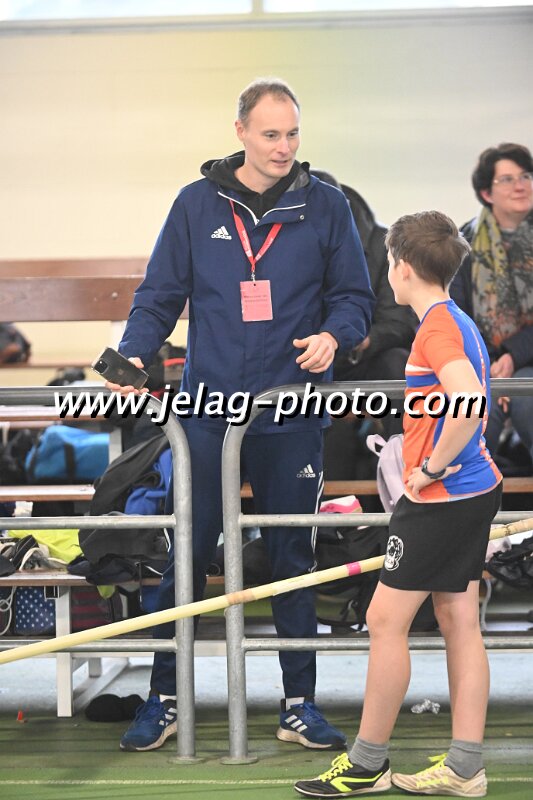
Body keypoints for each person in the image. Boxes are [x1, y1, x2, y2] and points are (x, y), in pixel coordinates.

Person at [109, 78, 375, 752]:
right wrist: (135, 353)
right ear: (240, 133)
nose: (284, 147)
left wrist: (334, 336)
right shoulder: (195, 204)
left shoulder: (328, 205)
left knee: (292, 556)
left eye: (292, 133)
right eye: (270, 134)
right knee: (188, 552)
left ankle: (299, 705)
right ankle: (164, 698)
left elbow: (354, 297)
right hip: (208, 410)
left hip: (292, 410)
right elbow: (158, 295)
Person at [294, 211, 503, 798]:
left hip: (443, 497)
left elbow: (468, 400)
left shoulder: (437, 328)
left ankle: (367, 763)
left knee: (386, 620)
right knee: (458, 620)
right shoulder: (454, 319)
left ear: (401, 268)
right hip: (470, 491)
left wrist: (431, 466)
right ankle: (464, 767)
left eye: (387, 261)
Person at [311, 170, 417, 440]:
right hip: (302, 360)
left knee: (399, 364)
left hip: (360, 358)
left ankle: (406, 453)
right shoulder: (281, 245)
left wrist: (361, 340)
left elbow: (400, 322)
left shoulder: (386, 247)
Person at [450, 143, 533, 467]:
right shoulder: (464, 243)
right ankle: (477, 491)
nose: (520, 186)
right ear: (487, 193)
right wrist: (490, 364)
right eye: (507, 179)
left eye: (526, 176)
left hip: (525, 360)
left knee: (526, 398)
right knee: (478, 407)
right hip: (482, 362)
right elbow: (454, 314)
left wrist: (513, 356)